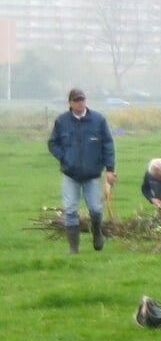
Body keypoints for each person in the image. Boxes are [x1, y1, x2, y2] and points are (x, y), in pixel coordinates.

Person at [47, 88, 116, 254]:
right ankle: (73, 247)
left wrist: (110, 169)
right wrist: (64, 157)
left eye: (82, 100)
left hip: (92, 174)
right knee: (70, 210)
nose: (80, 103)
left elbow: (108, 144)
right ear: (70, 103)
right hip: (70, 174)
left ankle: (97, 233)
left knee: (96, 208)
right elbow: (52, 143)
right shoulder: (62, 121)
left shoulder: (98, 120)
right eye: (76, 100)